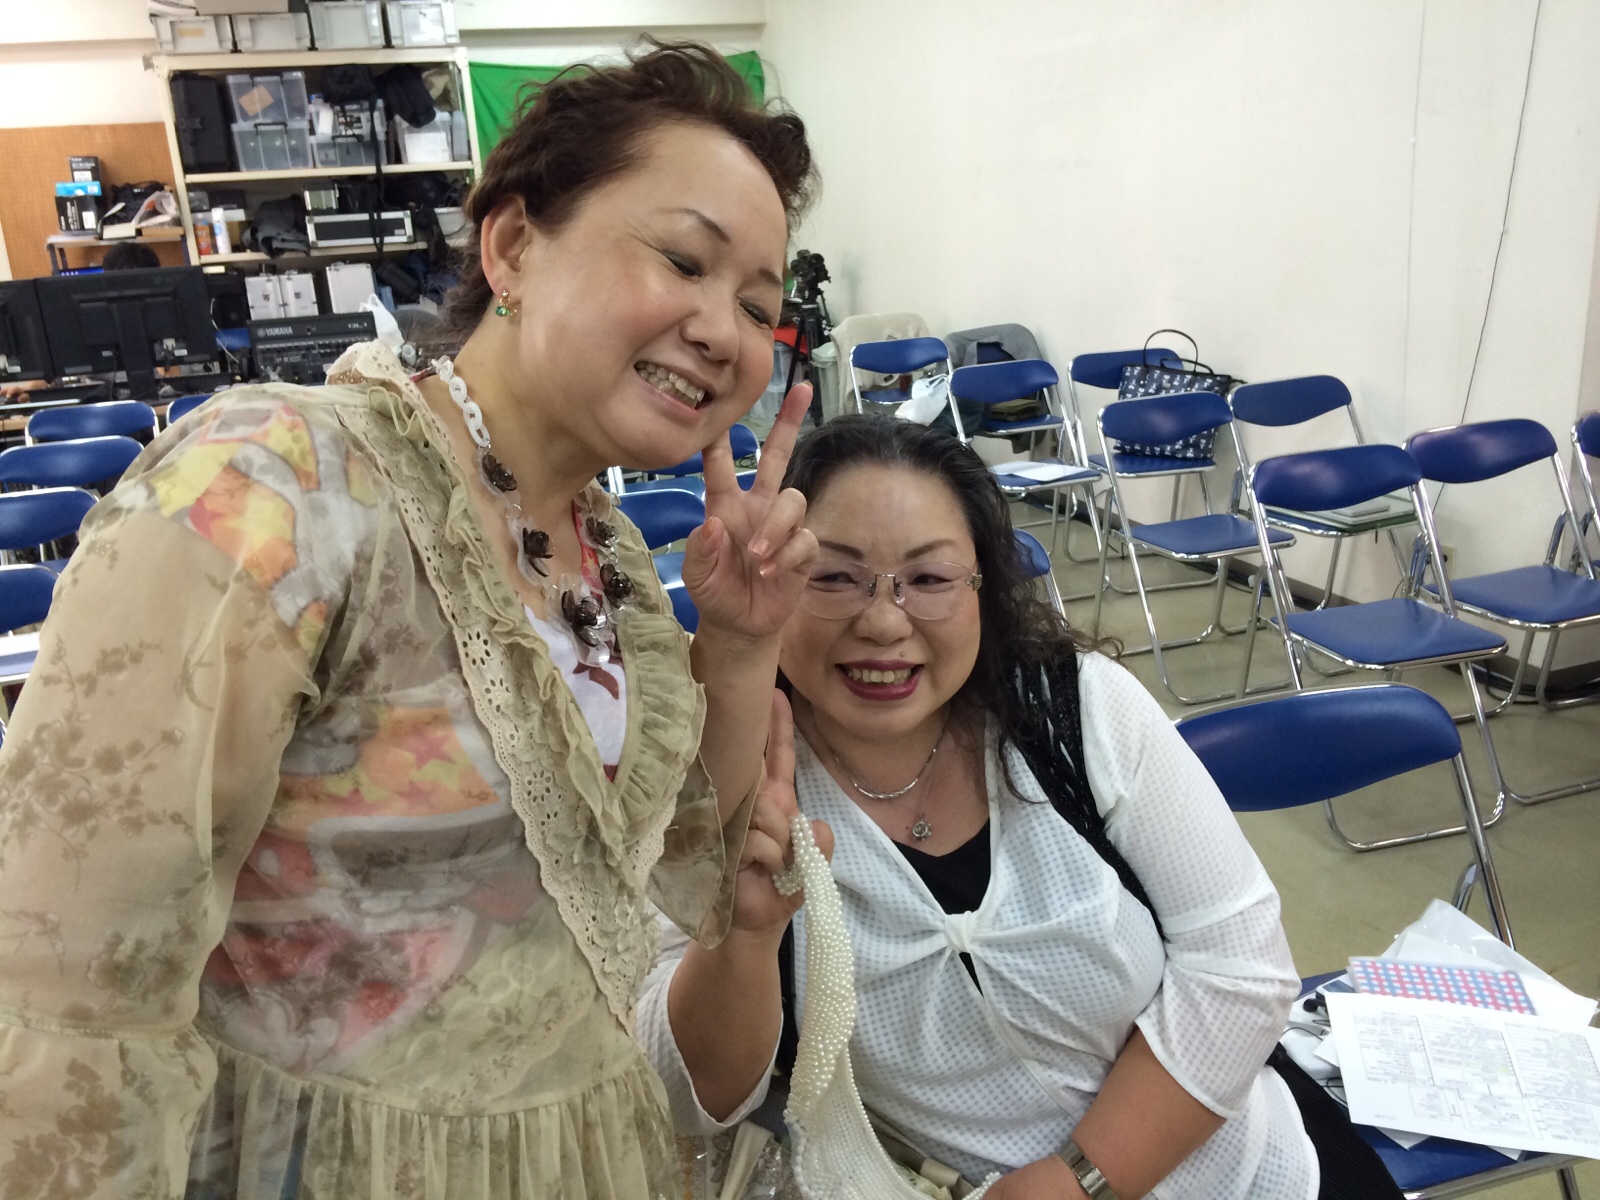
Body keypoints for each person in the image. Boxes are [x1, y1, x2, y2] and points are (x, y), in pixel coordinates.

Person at [0, 40, 818, 1200]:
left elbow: (664, 874)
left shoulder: (612, 557)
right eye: (684, 260)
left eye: (756, 306)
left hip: (577, 1153)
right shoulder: (273, 485)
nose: (724, 332)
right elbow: (72, 981)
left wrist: (737, 647)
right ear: (514, 245)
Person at [642, 416, 1406, 1199]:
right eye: (835, 578)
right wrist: (745, 938)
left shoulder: (1073, 711)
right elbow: (686, 1097)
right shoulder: (732, 772)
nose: (883, 621)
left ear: (984, 588)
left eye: (930, 579)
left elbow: (1241, 968)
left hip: (1256, 1173)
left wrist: (1078, 1181)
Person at [0, 241, 163, 400]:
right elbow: (55, 373)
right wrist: (30, 390)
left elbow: (171, 375)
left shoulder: (165, 320)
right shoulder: (87, 320)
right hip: (99, 403)